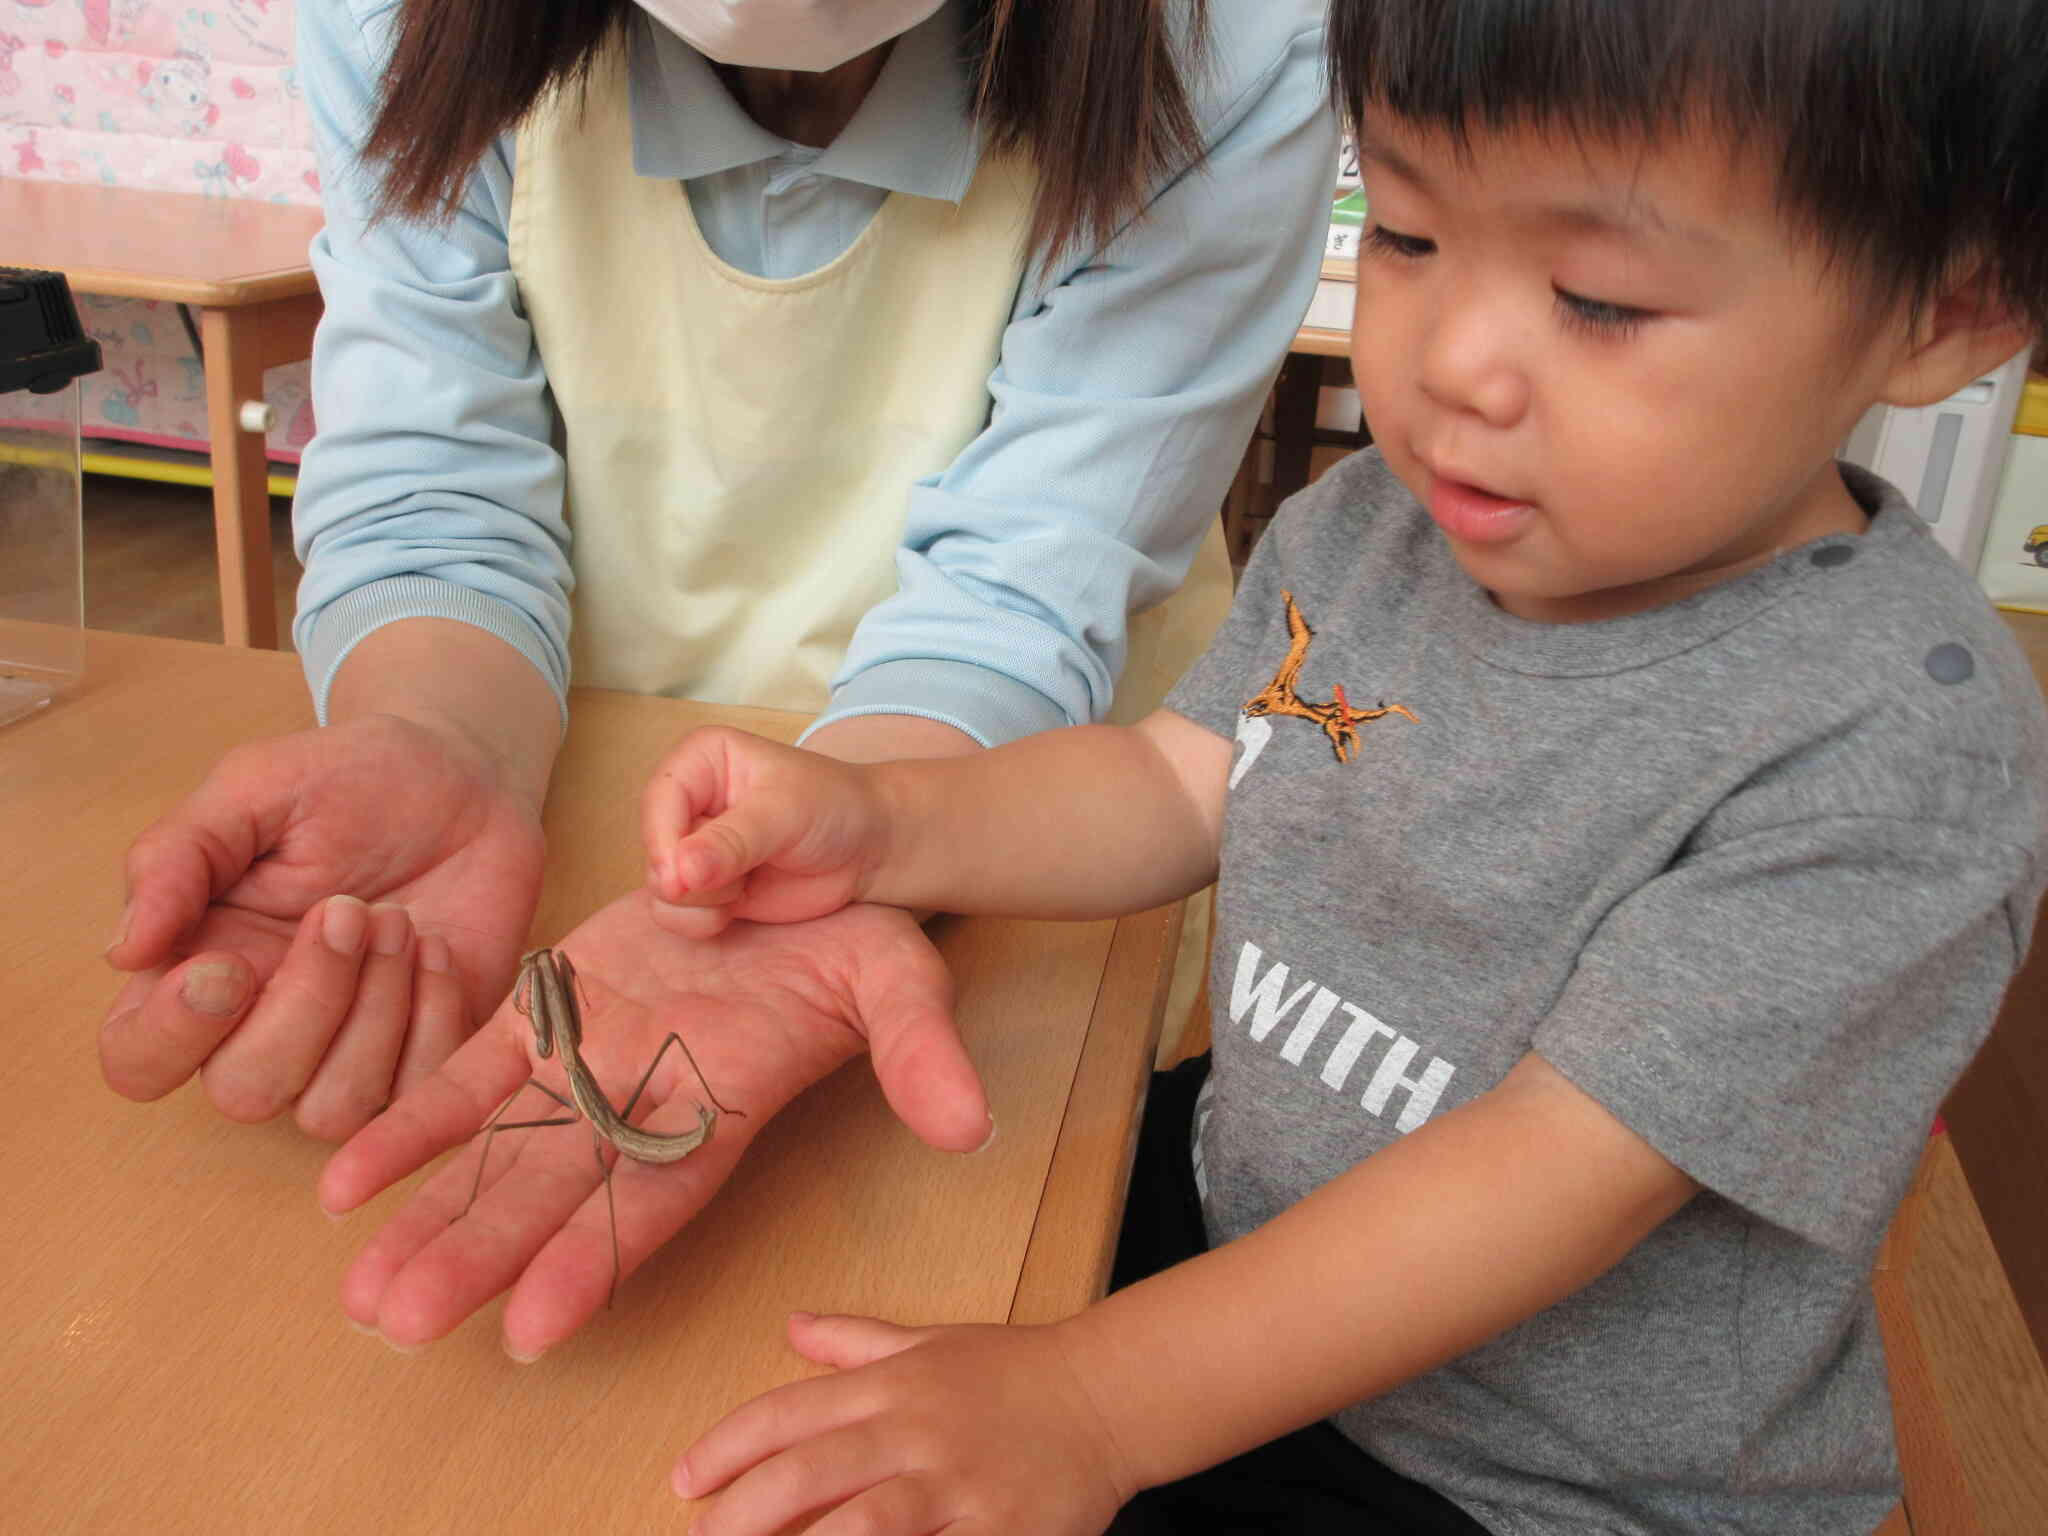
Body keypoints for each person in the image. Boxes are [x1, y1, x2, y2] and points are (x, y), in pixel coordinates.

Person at [519, 0, 2042, 1529]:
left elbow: (1556, 1172)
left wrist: (1091, 1400)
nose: (1453, 363)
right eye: (1409, 234)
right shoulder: (1378, 524)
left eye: (1598, 298)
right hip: (1236, 1222)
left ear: (1951, 310)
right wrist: (885, 820)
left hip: (1529, 1472)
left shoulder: (1892, 749)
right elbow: (1181, 784)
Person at [97, 1, 1337, 1349]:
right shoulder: (399, 24)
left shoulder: (1229, 39)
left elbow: (1028, 581)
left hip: (1021, 856)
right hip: (581, 836)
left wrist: (859, 837)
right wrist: (435, 735)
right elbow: (430, 478)